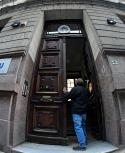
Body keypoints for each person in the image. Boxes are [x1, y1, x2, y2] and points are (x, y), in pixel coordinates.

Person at [63, 78, 89, 151]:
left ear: (76, 83)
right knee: (83, 126)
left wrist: (65, 92)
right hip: (84, 111)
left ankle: (82, 145)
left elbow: (68, 97)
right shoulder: (86, 90)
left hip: (77, 111)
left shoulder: (75, 89)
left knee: (78, 127)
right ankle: (85, 141)